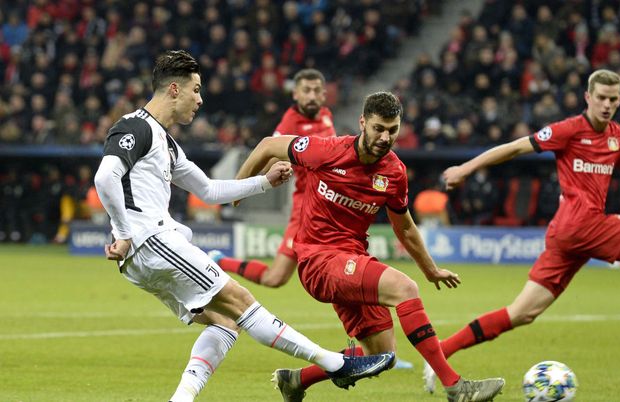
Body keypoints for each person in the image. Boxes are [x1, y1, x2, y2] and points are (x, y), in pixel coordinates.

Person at [93, 50, 394, 402]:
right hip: (151, 240)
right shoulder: (136, 126)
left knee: (226, 322)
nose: (200, 99)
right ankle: (336, 364)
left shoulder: (166, 144)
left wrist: (264, 182)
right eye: (196, 89)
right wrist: (125, 233)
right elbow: (105, 176)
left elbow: (208, 189)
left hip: (144, 256)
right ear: (174, 89)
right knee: (242, 301)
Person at [429, 69, 620, 393]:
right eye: (600, 98)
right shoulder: (568, 130)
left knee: (521, 313)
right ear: (588, 98)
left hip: (569, 234)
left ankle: (439, 353)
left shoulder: (619, 137)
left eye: (612, 99)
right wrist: (464, 169)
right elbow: (515, 148)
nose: (606, 105)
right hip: (581, 223)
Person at [234, 91, 505, 402]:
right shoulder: (326, 150)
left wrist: (431, 270)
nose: (385, 137)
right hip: (318, 261)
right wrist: (240, 187)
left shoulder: (394, 173)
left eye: (392, 130)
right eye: (378, 128)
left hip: (351, 260)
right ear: (363, 122)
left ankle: (296, 380)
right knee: (405, 288)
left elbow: (403, 226)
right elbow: (269, 145)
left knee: (382, 354)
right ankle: (456, 387)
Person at [209, 68, 336, 287]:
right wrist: (248, 183)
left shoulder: (325, 115)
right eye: (306, 90)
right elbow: (268, 153)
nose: (312, 95)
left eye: (317, 91)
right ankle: (219, 262)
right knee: (275, 278)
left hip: (331, 207)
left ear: (324, 95)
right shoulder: (290, 122)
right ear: (295, 94)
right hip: (307, 210)